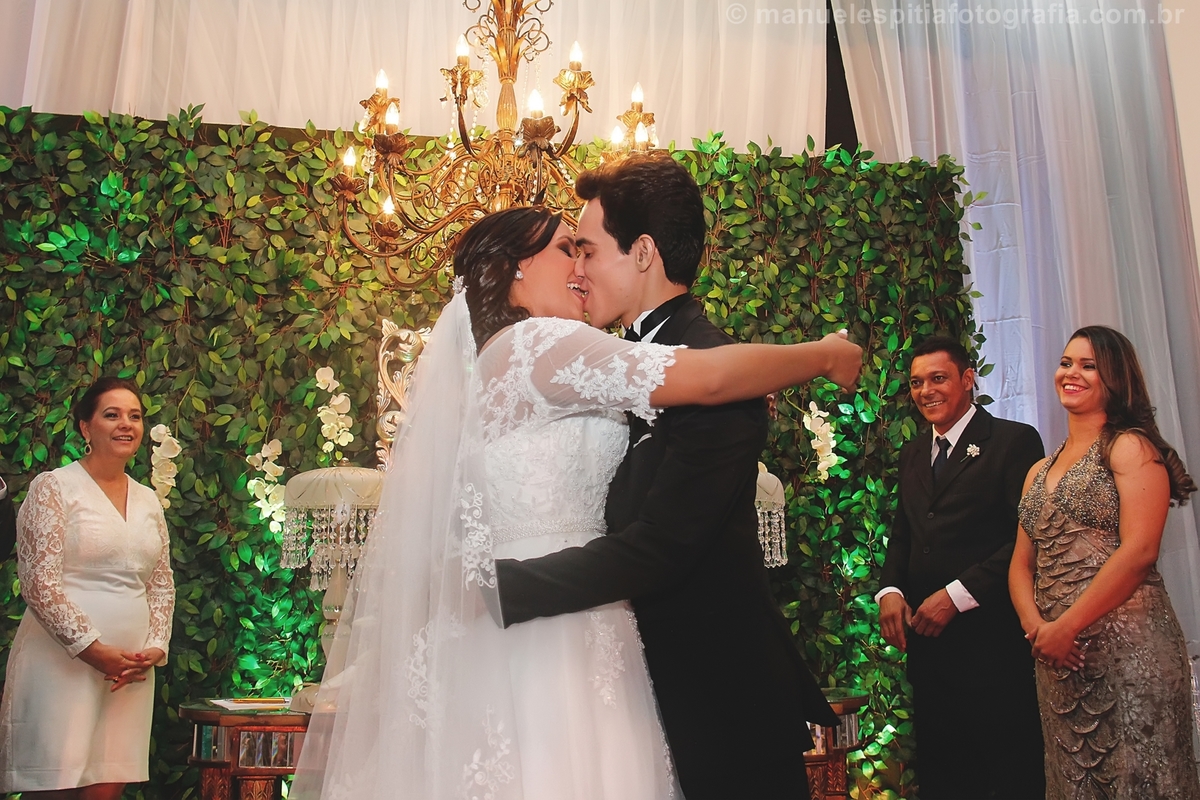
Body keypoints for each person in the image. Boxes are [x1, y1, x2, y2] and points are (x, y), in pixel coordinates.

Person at [291, 204, 862, 800]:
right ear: (516, 267)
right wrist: (823, 355)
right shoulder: (542, 343)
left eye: (585, 250)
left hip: (518, 618)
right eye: (568, 249)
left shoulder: (491, 366)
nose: (581, 268)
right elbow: (708, 377)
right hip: (563, 626)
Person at [491, 154, 846, 799]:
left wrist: (497, 588)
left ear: (643, 253)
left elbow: (661, 548)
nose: (578, 270)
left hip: (720, 698)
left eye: (588, 250)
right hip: (630, 689)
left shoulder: (721, 373)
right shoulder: (614, 363)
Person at [1010, 326, 1200, 799]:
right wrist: (1039, 631)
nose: (1071, 373)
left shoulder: (1130, 447)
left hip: (1129, 656)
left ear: (1115, 377)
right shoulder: (1038, 470)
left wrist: (1066, 626)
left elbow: (1139, 553)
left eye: (1088, 365)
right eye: (1066, 363)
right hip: (1059, 661)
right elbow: (1021, 565)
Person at [877, 335, 1045, 799]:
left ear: (968, 379)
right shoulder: (913, 452)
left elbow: (1027, 539)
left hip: (992, 645)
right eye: (916, 382)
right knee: (944, 777)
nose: (925, 391)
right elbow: (905, 532)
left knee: (1006, 776)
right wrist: (890, 591)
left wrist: (956, 596)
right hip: (930, 652)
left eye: (938, 378)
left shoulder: (1013, 442)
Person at [0, 377, 175, 799]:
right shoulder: (54, 487)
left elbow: (161, 583)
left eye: (135, 416)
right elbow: (38, 584)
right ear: (85, 427)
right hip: (62, 662)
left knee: (106, 787)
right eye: (112, 415)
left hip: (130, 672)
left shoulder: (149, 500)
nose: (126, 424)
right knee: (54, 784)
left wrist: (154, 647)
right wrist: (92, 650)